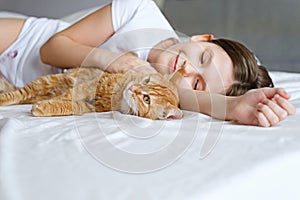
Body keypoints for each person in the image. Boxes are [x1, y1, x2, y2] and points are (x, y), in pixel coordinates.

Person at [0, 0, 295, 127]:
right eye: (202, 57)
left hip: (20, 88)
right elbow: (51, 50)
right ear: (201, 37)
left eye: (196, 82)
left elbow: (189, 100)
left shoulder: (163, 89)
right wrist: (113, 60)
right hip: (21, 43)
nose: (187, 69)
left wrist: (234, 107)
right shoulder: (140, 10)